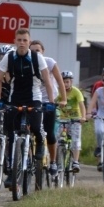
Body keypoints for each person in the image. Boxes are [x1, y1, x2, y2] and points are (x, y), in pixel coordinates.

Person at [0, 28, 63, 188]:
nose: (22, 43)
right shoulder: (9, 58)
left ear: (29, 42)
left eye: (25, 40)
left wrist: (51, 102)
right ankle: (11, 173)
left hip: (34, 98)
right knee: (11, 134)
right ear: (15, 42)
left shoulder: (38, 58)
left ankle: (39, 145)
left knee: (37, 127)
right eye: (19, 40)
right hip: (15, 99)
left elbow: (48, 81)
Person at [29, 40, 67, 178]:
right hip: (34, 100)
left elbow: (60, 81)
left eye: (37, 50)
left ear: (43, 51)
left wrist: (63, 99)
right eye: (32, 50)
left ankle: (53, 162)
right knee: (30, 129)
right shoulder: (27, 62)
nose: (35, 53)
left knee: (49, 132)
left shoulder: (50, 62)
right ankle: (28, 157)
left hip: (49, 101)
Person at [56, 71, 86, 172]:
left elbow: (81, 105)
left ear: (71, 82)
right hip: (62, 118)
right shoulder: (58, 91)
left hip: (75, 119)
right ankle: (56, 161)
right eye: (63, 82)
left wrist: (83, 117)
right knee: (56, 138)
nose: (65, 84)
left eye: (67, 82)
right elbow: (53, 102)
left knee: (75, 140)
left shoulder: (76, 92)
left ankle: (75, 162)